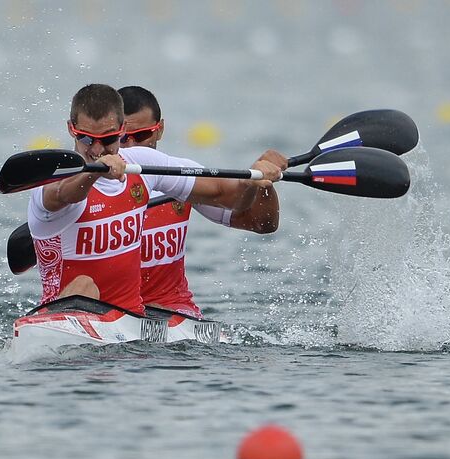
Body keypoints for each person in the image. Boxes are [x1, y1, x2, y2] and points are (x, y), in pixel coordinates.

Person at [27, 83, 286, 316]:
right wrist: (93, 175)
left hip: (146, 320)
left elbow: (229, 198)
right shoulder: (53, 179)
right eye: (86, 139)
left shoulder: (146, 165)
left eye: (107, 140)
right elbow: (62, 194)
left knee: (157, 309)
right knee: (83, 287)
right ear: (71, 130)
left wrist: (253, 182)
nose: (96, 149)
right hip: (72, 314)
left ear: (120, 130)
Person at [118, 85, 283, 318]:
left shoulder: (181, 175)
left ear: (160, 130)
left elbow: (261, 223)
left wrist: (260, 182)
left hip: (174, 310)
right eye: (121, 138)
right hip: (113, 310)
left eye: (141, 136)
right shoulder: (90, 182)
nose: (131, 147)